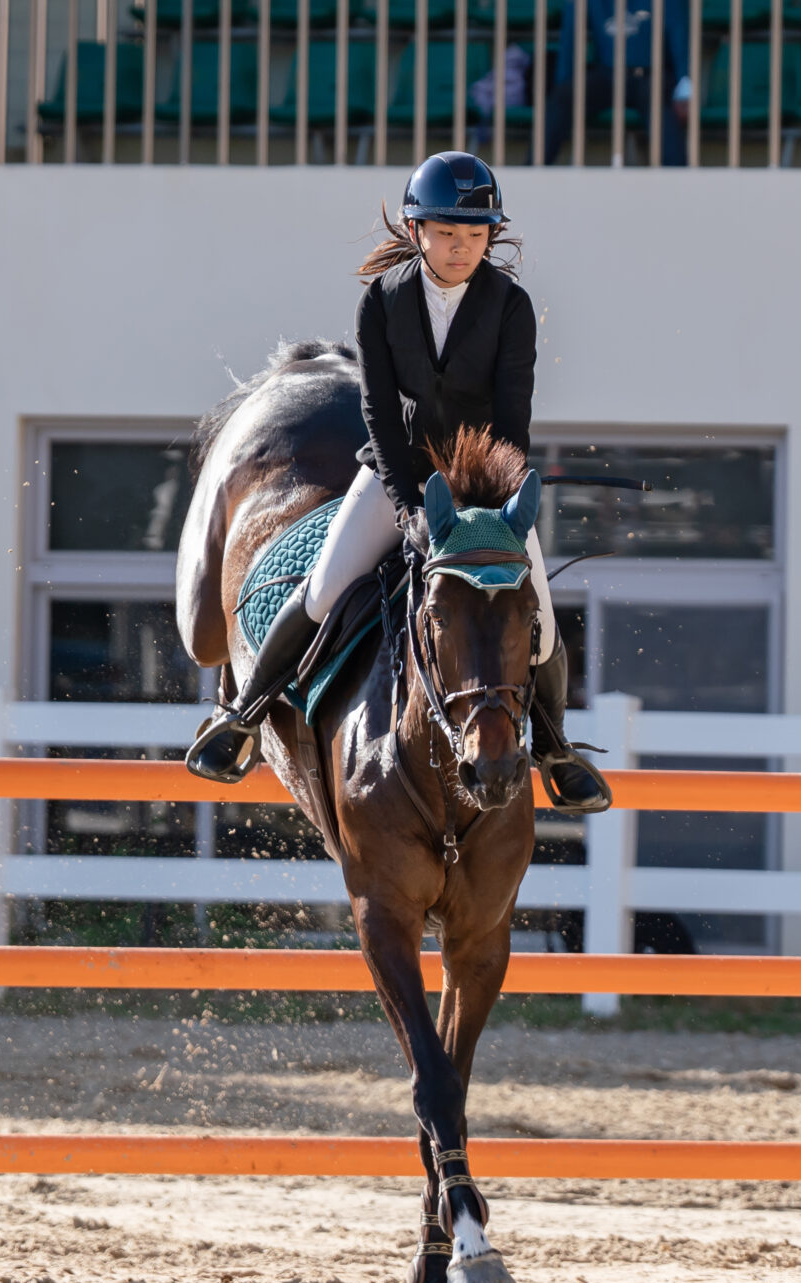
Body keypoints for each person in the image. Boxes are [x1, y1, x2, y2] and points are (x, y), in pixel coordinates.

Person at [186, 151, 611, 815]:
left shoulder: (511, 307)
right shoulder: (382, 305)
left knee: (542, 622)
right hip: (395, 473)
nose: (462, 248)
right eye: (448, 235)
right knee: (323, 588)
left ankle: (555, 749)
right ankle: (242, 715)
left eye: (476, 236)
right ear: (417, 232)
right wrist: (410, 504)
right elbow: (380, 413)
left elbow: (512, 418)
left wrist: (490, 507)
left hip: (482, 489)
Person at [542, 0, 692, 167]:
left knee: (658, 104)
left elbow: (679, 35)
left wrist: (684, 88)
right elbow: (570, 41)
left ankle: (676, 176)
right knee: (563, 97)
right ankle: (534, 169)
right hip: (607, 74)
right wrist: (562, 84)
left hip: (651, 75)